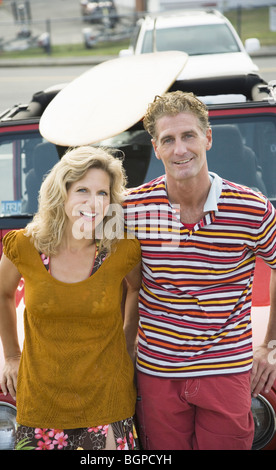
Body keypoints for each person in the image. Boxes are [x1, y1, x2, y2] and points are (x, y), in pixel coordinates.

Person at [123, 90, 276, 450]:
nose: (180, 149)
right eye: (169, 139)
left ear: (208, 137)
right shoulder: (129, 210)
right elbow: (107, 281)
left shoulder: (253, 209)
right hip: (158, 373)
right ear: (156, 147)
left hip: (227, 371)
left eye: (189, 135)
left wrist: (270, 344)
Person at [0, 146, 141, 451]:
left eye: (103, 193)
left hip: (107, 400)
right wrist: (11, 356)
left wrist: (128, 343)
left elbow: (137, 289)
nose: (94, 202)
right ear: (61, 193)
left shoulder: (121, 248)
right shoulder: (25, 245)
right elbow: (3, 293)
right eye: (83, 190)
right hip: (41, 402)